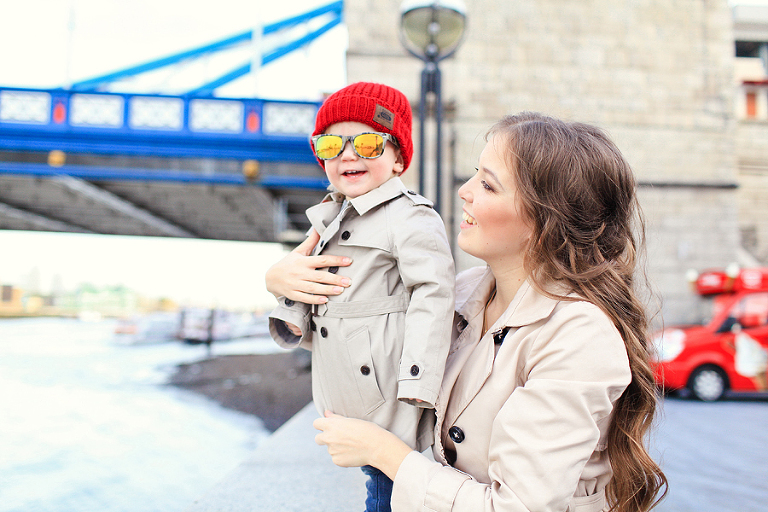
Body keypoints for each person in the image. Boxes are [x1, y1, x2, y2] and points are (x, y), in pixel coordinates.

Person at [267, 112, 668, 512]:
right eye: (475, 174)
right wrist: (285, 284)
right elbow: (367, 343)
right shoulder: (464, 294)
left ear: (543, 222)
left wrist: (383, 452)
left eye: (488, 185)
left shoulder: (579, 336)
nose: (464, 190)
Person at [267, 82, 455, 512]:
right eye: (332, 144)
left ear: (397, 158)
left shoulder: (410, 216)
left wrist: (417, 380)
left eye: (368, 143)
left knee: (388, 486)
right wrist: (290, 315)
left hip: (389, 386)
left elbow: (434, 294)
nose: (348, 155)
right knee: (376, 481)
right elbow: (309, 278)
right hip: (347, 386)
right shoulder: (331, 216)